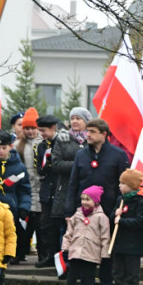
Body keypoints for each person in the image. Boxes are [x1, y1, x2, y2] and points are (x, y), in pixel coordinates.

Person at [65, 118, 128, 285]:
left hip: (107, 212)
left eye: (92, 131)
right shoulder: (81, 155)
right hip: (83, 212)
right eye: (87, 131)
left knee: (105, 251)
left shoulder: (118, 155)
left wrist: (119, 209)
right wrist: (69, 210)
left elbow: (122, 185)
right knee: (83, 252)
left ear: (104, 134)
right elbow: (73, 183)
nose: (88, 134)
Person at [43, 111, 87, 263]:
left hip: (86, 189)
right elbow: (56, 164)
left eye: (78, 118)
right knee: (66, 227)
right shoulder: (62, 139)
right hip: (66, 188)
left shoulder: (91, 139)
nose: (74, 121)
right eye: (72, 118)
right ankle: (65, 262)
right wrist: (79, 164)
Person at [107, 169, 143, 285]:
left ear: (132, 186)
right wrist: (115, 214)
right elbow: (112, 217)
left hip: (133, 244)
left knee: (131, 271)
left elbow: (140, 221)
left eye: (123, 183)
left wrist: (122, 221)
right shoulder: (120, 200)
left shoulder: (142, 202)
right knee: (117, 270)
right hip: (119, 243)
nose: (119, 186)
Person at [60, 185, 110, 285]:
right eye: (83, 199)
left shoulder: (101, 217)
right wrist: (65, 246)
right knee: (72, 274)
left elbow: (105, 237)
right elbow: (69, 232)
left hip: (91, 252)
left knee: (88, 275)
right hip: (75, 250)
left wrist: (104, 253)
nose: (84, 202)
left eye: (88, 199)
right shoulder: (77, 215)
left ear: (96, 201)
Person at [13, 107, 41, 263]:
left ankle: (41, 253)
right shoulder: (18, 145)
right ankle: (20, 252)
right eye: (27, 128)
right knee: (25, 224)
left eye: (33, 128)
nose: (30, 132)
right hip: (25, 189)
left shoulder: (43, 143)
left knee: (39, 224)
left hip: (40, 188)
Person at [33, 115, 61, 267]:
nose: (42, 134)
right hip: (46, 189)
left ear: (53, 128)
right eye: (40, 131)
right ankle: (49, 255)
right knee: (46, 225)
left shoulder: (62, 143)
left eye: (44, 131)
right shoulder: (41, 146)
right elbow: (39, 168)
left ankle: (59, 256)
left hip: (58, 188)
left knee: (58, 225)